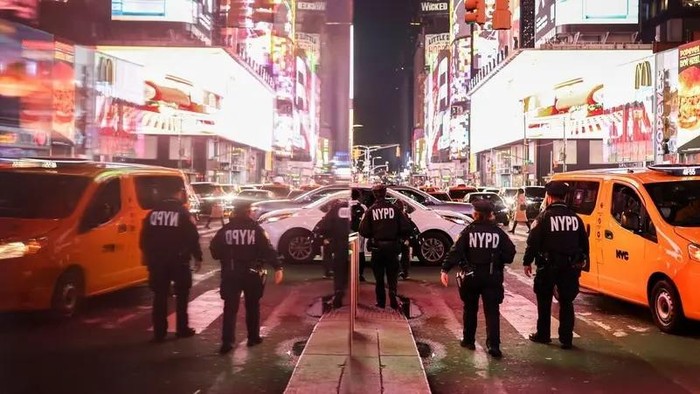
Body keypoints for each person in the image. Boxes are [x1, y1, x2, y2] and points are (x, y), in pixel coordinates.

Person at [440, 200, 516, 358]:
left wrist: (445, 269)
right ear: (490, 215)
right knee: (492, 311)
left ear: (476, 214)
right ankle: (494, 346)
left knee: (470, 309)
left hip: (471, 276)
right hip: (492, 276)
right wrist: (497, 260)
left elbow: (456, 251)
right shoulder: (498, 232)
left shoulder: (468, 231)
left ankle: (468, 340)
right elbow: (510, 254)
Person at [210, 201, 284, 354]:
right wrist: (277, 267)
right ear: (248, 212)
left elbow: (214, 250)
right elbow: (267, 249)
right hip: (252, 273)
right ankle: (253, 337)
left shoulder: (226, 230)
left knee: (230, 308)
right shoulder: (255, 229)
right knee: (252, 305)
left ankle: (227, 342)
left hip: (231, 273)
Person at [523, 181, 589, 350]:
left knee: (544, 302)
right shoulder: (575, 218)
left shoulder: (544, 217)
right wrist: (582, 262)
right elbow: (584, 242)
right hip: (569, 267)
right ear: (565, 197)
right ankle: (566, 339)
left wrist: (527, 261)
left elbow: (533, 242)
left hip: (548, 265)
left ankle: (543, 335)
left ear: (550, 197)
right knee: (567, 302)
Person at [140, 182, 203, 343]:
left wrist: (148, 255)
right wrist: (198, 257)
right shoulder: (182, 213)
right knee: (182, 296)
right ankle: (182, 329)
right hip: (179, 260)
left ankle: (159, 332)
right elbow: (192, 237)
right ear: (178, 193)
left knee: (159, 296)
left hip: (157, 260)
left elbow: (144, 238)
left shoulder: (153, 213)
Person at [358, 184, 413, 309]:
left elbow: (363, 230)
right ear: (385, 193)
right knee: (392, 276)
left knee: (379, 277)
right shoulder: (395, 209)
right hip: (392, 247)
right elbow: (406, 228)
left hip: (377, 248)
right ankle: (393, 298)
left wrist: (373, 234)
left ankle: (381, 302)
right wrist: (397, 236)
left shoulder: (371, 210)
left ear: (374, 195)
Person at [314, 199, 350, 308]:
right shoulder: (356, 208)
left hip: (339, 243)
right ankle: (344, 289)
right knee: (349, 268)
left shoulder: (336, 209)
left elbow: (325, 226)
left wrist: (327, 237)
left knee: (339, 269)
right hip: (354, 243)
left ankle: (339, 291)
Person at [394, 199, 420, 280]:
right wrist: (408, 239)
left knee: (395, 256)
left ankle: (400, 271)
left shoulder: (394, 216)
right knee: (405, 256)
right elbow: (410, 228)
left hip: (397, 239)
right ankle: (404, 272)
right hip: (405, 239)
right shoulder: (406, 216)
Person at [350, 190, 368, 282]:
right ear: (358, 196)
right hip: (359, 233)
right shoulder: (363, 207)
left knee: (348, 252)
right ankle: (360, 274)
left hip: (348, 232)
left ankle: (348, 273)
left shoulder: (345, 206)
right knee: (360, 253)